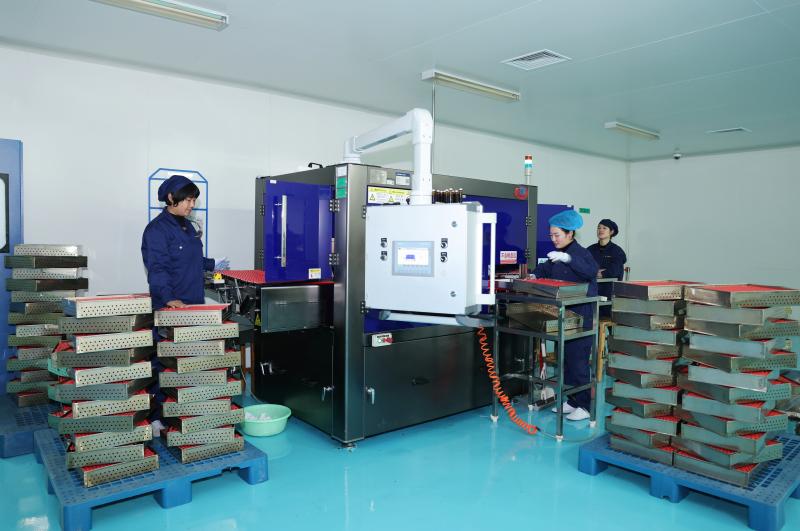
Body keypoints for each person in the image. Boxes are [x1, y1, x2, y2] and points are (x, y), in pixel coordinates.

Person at [532, 209, 598, 421]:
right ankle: (572, 400)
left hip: (581, 316)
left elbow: (590, 271)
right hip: (563, 316)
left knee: (578, 362)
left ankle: (585, 406)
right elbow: (544, 270)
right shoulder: (557, 255)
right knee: (566, 361)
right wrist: (533, 275)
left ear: (570, 233)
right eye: (551, 235)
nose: (553, 239)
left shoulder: (581, 253)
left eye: (557, 235)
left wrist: (568, 258)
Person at [141, 174, 225, 310]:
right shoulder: (157, 229)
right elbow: (158, 268)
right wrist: (168, 298)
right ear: (171, 197)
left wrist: (213, 264)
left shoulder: (188, 225)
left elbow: (188, 258)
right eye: (188, 200)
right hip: (173, 305)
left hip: (194, 302)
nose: (192, 205)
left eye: (194, 200)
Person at [587, 219, 627, 318]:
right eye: (599, 228)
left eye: (604, 228)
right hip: (592, 292)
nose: (600, 230)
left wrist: (601, 273)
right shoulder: (590, 249)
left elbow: (615, 271)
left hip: (609, 294)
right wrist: (595, 271)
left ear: (611, 232)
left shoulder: (617, 251)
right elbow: (584, 267)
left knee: (607, 319)